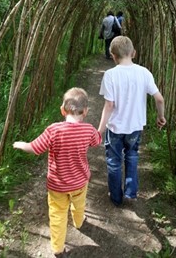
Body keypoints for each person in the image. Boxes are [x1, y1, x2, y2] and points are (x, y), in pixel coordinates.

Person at [13, 87, 102, 258]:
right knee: (79, 204)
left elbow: (35, 148)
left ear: (62, 110)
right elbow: (97, 140)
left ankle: (58, 248)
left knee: (58, 215)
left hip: (57, 186)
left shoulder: (54, 130)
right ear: (86, 112)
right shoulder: (89, 130)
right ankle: (78, 222)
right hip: (80, 181)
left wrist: (21, 144)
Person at [98, 36, 166, 206]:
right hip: (135, 126)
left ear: (112, 55)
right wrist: (160, 116)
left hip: (114, 127)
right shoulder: (144, 72)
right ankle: (131, 192)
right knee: (132, 155)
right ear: (133, 53)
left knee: (114, 161)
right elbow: (159, 99)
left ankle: (115, 197)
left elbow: (109, 105)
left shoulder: (110, 74)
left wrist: (99, 131)